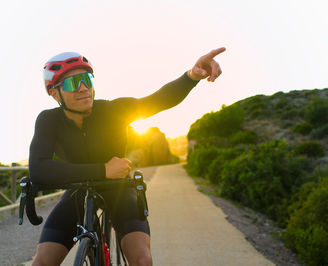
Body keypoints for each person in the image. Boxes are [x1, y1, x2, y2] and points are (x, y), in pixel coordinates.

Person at [29, 47, 225, 266]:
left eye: (86, 79)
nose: (83, 88)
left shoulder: (113, 110)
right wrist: (103, 170)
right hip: (77, 191)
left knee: (142, 259)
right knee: (41, 263)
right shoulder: (48, 120)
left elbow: (157, 100)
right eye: (72, 83)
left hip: (119, 188)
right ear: (55, 94)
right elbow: (38, 169)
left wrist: (191, 76)